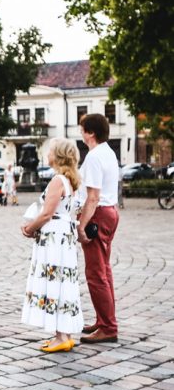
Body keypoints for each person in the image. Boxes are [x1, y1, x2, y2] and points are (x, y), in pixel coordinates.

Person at [20, 139, 85, 352]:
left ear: (57, 155)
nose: (46, 154)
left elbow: (48, 213)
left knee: (54, 281)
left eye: (49, 151)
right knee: (62, 282)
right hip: (64, 237)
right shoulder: (71, 181)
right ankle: (63, 335)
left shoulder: (58, 180)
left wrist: (30, 228)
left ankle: (61, 336)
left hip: (54, 239)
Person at [77, 113, 120, 344]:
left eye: (82, 129)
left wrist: (82, 225)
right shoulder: (109, 153)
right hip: (110, 212)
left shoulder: (94, 157)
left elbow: (93, 197)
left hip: (99, 214)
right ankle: (104, 319)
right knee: (104, 270)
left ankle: (108, 327)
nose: (81, 134)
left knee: (95, 273)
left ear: (90, 132)